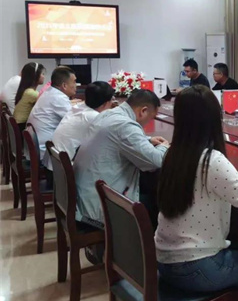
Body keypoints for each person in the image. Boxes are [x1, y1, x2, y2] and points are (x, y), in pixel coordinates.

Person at [155, 85, 238, 301]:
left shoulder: (172, 153)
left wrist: (234, 181)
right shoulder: (212, 161)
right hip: (197, 268)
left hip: (165, 262)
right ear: (213, 119)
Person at [73, 89, 169, 227]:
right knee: (159, 202)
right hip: (98, 209)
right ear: (143, 111)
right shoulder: (125, 125)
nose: (149, 122)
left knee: (149, 187)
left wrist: (148, 139)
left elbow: (120, 137)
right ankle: (143, 240)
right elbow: (156, 161)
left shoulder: (108, 114)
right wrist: (164, 146)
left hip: (85, 198)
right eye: (151, 117)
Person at [50, 81, 115, 164]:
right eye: (112, 99)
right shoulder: (94, 117)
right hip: (66, 166)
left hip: (55, 161)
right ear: (106, 103)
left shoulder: (78, 107)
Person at [27, 66, 77, 164]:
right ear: (64, 85)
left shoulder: (50, 92)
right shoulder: (58, 98)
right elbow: (75, 122)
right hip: (46, 152)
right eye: (74, 82)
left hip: (37, 148)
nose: (76, 85)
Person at [13, 62, 46, 131]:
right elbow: (46, 102)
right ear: (35, 76)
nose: (44, 76)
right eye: (42, 74)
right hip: (22, 127)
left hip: (18, 125)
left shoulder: (26, 90)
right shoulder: (30, 93)